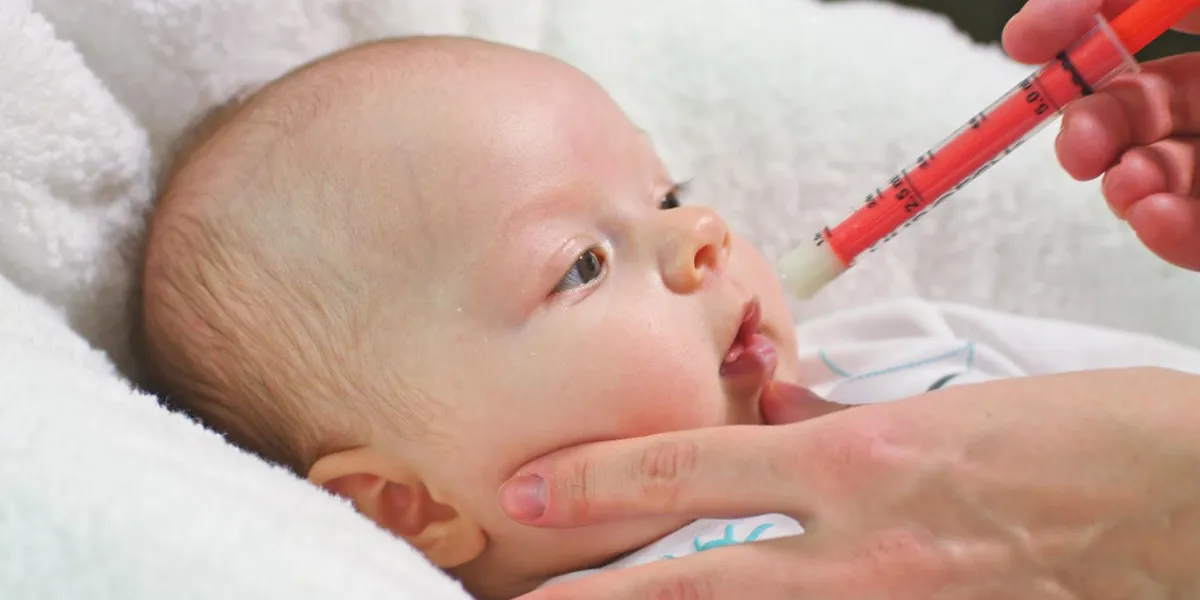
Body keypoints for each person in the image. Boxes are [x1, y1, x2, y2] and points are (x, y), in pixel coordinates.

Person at [496, 1, 1200, 598]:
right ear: (408, 505)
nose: (700, 229)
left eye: (670, 197)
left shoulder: (904, 344)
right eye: (583, 266)